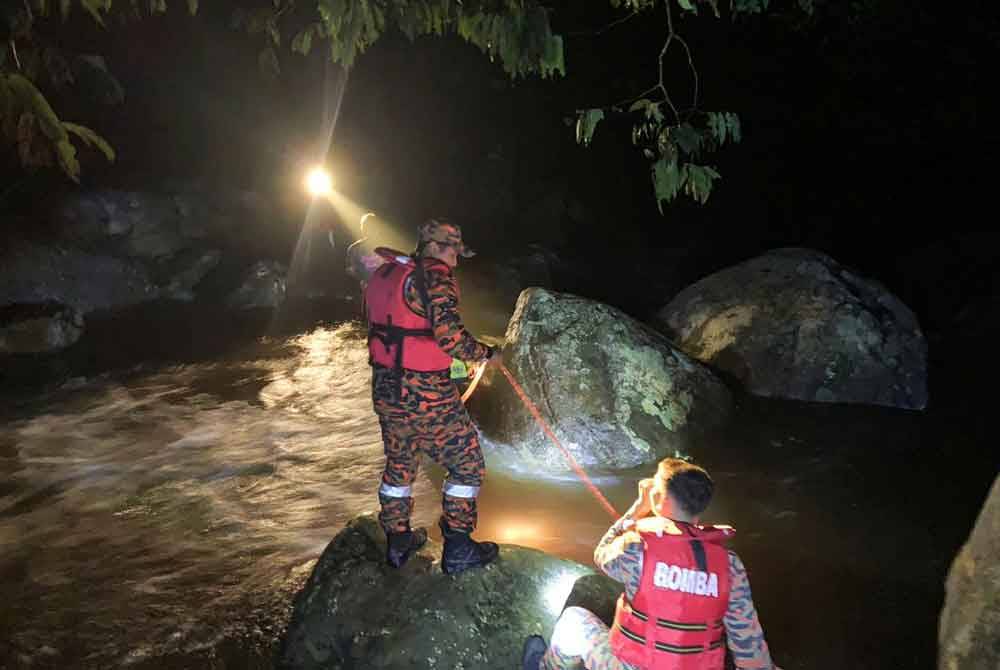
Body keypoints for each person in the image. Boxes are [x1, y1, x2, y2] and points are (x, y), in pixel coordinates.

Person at [522, 458, 780, 670]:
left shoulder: (637, 547)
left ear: (658, 498)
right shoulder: (729, 565)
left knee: (573, 621)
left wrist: (636, 509)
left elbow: (601, 555)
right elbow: (749, 643)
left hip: (635, 666)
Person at [365, 218, 501, 574]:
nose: (457, 261)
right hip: (425, 392)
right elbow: (450, 339)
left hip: (385, 387)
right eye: (455, 252)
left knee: (400, 463)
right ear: (443, 248)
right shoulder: (435, 276)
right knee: (467, 464)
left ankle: (398, 543)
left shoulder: (385, 275)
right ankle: (457, 548)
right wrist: (485, 354)